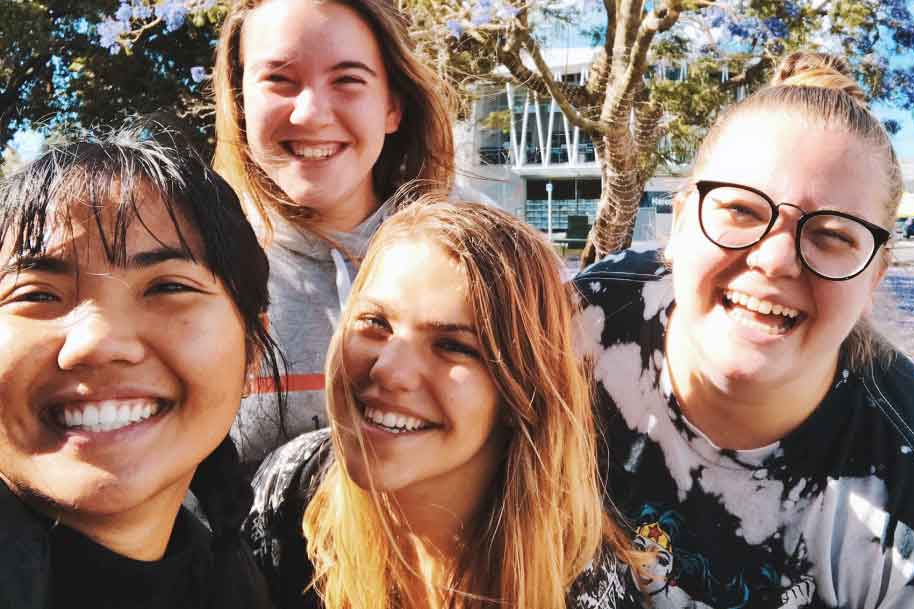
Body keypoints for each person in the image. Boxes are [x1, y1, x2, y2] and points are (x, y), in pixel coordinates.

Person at [574, 52, 914, 608]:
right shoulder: (583, 322)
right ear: (681, 222)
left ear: (874, 277)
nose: (777, 260)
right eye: (741, 210)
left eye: (833, 235)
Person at [244, 196, 645, 609]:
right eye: (375, 323)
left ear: (522, 391)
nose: (389, 370)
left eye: (453, 346)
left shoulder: (580, 585)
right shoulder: (287, 494)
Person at [0, 123, 279, 609]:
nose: (96, 344)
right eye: (37, 295)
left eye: (168, 287)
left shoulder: (238, 582)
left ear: (251, 349)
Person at [212, 0, 457, 463]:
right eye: (279, 80)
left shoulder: (475, 257)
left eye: (348, 80)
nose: (311, 114)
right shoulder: (196, 266)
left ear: (392, 105)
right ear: (240, 100)